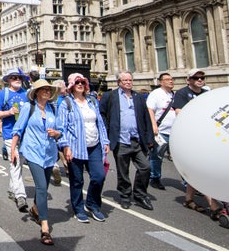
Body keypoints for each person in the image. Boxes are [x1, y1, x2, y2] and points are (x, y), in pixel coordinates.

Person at [10, 79, 61, 246]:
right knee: (41, 187)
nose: (46, 91)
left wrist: (56, 133)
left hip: (49, 153)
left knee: (44, 186)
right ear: (37, 92)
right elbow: (18, 129)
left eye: (48, 89)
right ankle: (45, 226)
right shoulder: (28, 107)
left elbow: (60, 130)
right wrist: (12, 150)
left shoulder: (53, 108)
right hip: (32, 152)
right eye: (43, 89)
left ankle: (35, 209)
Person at [99, 71, 154, 211]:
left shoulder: (139, 97)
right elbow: (102, 115)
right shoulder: (110, 96)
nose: (128, 82)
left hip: (136, 139)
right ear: (119, 82)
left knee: (145, 167)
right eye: (125, 80)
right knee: (123, 171)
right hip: (121, 140)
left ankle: (140, 194)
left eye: (130, 80)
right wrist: (107, 132)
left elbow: (145, 117)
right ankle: (125, 195)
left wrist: (149, 138)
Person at [58, 73, 110, 223]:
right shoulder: (66, 103)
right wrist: (65, 146)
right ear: (71, 86)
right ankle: (78, 208)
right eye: (77, 82)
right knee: (77, 180)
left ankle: (92, 204)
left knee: (99, 176)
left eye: (82, 82)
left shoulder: (92, 101)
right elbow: (61, 127)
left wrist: (105, 141)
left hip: (94, 145)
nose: (80, 84)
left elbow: (99, 122)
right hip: (76, 147)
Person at [172, 68, 223, 220]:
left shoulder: (207, 93)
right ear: (189, 80)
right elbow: (179, 113)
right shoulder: (182, 93)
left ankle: (188, 199)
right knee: (202, 169)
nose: (200, 80)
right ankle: (213, 204)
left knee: (195, 170)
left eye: (202, 77)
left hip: (206, 136)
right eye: (196, 78)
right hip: (190, 137)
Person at [0, 67, 30, 212]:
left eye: (19, 77)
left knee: (19, 163)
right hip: (9, 134)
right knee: (15, 163)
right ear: (8, 80)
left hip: (24, 134)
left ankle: (11, 189)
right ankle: (20, 196)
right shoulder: (4, 94)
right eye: (14, 77)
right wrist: (8, 112)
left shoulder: (26, 94)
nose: (17, 80)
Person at [146, 73, 175, 190]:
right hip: (161, 131)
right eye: (167, 79)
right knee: (157, 155)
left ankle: (188, 183)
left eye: (171, 79)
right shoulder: (156, 94)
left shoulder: (174, 94)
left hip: (175, 132)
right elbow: (150, 109)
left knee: (180, 157)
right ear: (160, 82)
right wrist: (154, 125)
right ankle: (155, 177)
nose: (170, 81)